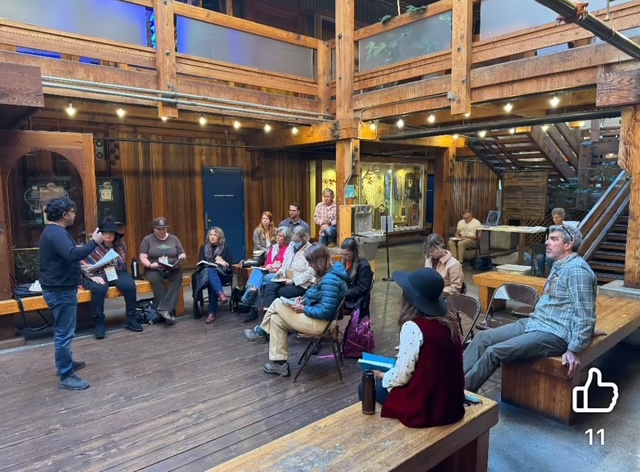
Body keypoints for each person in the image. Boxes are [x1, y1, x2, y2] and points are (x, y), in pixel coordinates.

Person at [464, 225, 598, 393]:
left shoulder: (577, 271)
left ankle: (457, 395)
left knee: (494, 352)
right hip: (537, 322)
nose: (547, 242)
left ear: (568, 244)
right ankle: (449, 380)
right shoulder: (559, 265)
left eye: (554, 239)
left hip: (555, 333)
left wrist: (574, 348)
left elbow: (584, 314)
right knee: (482, 338)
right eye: (549, 239)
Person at [357, 268, 465, 428]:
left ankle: (376, 432)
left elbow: (402, 376)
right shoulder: (449, 322)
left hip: (429, 410)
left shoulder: (413, 327)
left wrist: (383, 376)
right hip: (452, 404)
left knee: (366, 387)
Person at [244, 244, 348, 377]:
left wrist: (304, 308)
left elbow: (326, 312)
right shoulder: (328, 273)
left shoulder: (330, 280)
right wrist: (303, 300)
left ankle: (261, 332)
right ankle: (280, 364)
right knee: (276, 319)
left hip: (321, 324)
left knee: (277, 303)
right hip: (318, 319)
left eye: (311, 262)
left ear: (318, 261)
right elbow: (318, 296)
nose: (310, 266)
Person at [39, 197, 104, 390]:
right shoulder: (56, 233)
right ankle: (66, 375)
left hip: (60, 289)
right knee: (64, 334)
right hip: (60, 291)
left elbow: (64, 258)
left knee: (65, 331)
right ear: (64, 214)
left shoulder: (54, 232)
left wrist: (81, 269)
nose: (75, 215)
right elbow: (72, 254)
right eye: (73, 212)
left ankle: (65, 363)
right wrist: (94, 242)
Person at [81, 220, 143, 339]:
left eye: (111, 232)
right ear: (101, 234)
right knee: (99, 289)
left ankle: (131, 318)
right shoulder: (93, 245)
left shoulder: (120, 246)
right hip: (96, 274)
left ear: (116, 235)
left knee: (129, 285)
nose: (108, 235)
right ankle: (99, 322)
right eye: (105, 232)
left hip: (115, 271)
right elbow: (82, 264)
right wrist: (91, 273)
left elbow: (120, 262)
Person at [138, 217, 186, 325]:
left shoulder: (174, 239)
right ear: (154, 229)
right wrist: (150, 265)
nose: (161, 231)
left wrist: (182, 257)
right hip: (154, 267)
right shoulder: (147, 239)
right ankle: (168, 312)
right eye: (159, 229)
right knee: (156, 279)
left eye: (164, 228)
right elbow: (142, 256)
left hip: (171, 267)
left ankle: (164, 310)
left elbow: (182, 253)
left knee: (178, 276)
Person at [240, 226, 292, 323]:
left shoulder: (289, 249)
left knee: (263, 279)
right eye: (277, 235)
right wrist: (269, 266)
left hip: (281, 274)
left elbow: (288, 266)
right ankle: (253, 291)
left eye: (280, 236)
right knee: (257, 271)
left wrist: (276, 269)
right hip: (270, 271)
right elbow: (267, 262)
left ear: (286, 238)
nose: (277, 238)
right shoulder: (274, 247)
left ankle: (250, 300)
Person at [261, 225, 315, 310]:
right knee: (269, 286)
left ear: (303, 240)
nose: (295, 243)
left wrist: (293, 281)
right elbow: (285, 263)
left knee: (281, 292)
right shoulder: (291, 246)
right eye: (293, 240)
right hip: (285, 278)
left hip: (300, 284)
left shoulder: (310, 250)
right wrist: (281, 274)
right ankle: (267, 312)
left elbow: (310, 272)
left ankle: (276, 312)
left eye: (297, 241)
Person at [198, 226, 234, 324]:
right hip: (207, 275)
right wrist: (213, 263)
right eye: (210, 235)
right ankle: (220, 295)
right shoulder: (203, 247)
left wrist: (223, 263)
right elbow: (201, 262)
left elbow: (230, 264)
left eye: (215, 235)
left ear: (220, 237)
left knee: (212, 278)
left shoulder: (226, 247)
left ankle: (212, 313)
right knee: (211, 272)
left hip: (223, 275)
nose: (212, 237)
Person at [340, 238, 374, 318]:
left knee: (329, 306)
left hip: (355, 300)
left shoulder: (364, 266)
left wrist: (342, 293)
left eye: (347, 254)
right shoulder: (345, 261)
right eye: (342, 254)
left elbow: (361, 289)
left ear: (354, 252)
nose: (344, 257)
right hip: (347, 294)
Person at [423, 233, 464, 298]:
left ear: (441, 247)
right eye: (429, 252)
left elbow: (455, 289)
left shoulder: (454, 264)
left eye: (432, 251)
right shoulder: (429, 260)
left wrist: (436, 292)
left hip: (444, 298)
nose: (430, 254)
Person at [536, 207, 566, 277]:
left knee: (549, 259)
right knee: (539, 257)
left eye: (557, 217)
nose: (555, 219)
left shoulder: (565, 229)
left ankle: (554, 275)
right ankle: (542, 276)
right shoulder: (550, 228)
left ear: (562, 217)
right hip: (550, 249)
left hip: (560, 250)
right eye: (554, 217)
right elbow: (546, 240)